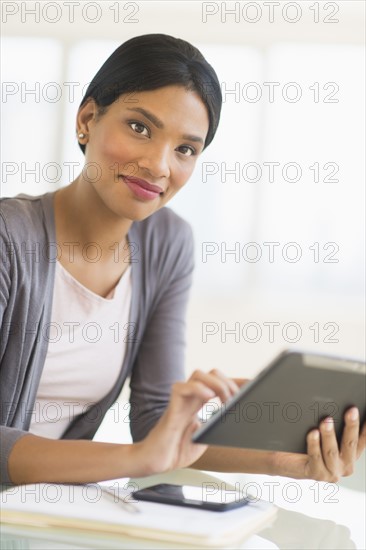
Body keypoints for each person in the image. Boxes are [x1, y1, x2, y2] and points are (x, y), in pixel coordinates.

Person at [1, 34, 364, 487]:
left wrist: (281, 462)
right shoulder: (8, 239)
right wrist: (137, 458)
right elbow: (148, 450)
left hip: (48, 518)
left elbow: (156, 425)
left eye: (185, 149)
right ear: (88, 119)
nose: (158, 165)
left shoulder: (167, 243)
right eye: (139, 127)